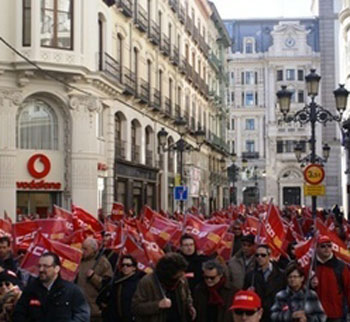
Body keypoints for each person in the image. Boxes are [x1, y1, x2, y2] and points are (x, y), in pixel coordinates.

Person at [12, 252, 90, 322]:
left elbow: (82, 315)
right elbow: (18, 314)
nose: (41, 269)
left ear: (56, 269)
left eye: (46, 266)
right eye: (39, 266)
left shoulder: (71, 291)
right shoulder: (30, 290)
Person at [132, 252, 196, 322]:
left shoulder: (182, 279)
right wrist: (158, 305)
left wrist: (190, 306)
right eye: (178, 274)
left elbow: (187, 295)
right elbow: (136, 307)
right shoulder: (147, 282)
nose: (182, 275)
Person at [312, 235, 350, 322]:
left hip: (335, 313)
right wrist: (311, 284)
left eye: (329, 246)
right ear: (317, 248)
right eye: (323, 246)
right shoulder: (311, 266)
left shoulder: (341, 266)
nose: (326, 248)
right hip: (315, 313)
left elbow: (348, 288)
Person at [243, 244, 285, 322]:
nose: (259, 257)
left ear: (269, 256)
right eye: (257, 255)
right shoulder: (251, 275)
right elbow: (244, 294)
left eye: (263, 255)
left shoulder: (281, 274)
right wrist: (248, 293)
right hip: (258, 315)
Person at [77, 237, 113, 322]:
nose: (82, 250)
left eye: (86, 249)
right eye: (82, 247)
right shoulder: (78, 260)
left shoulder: (103, 263)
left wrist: (93, 277)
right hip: (78, 307)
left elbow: (107, 286)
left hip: (93, 310)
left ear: (94, 250)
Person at [100, 255, 144, 322]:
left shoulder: (138, 283)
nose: (125, 267)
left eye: (128, 265)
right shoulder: (116, 280)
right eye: (123, 265)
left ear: (134, 267)